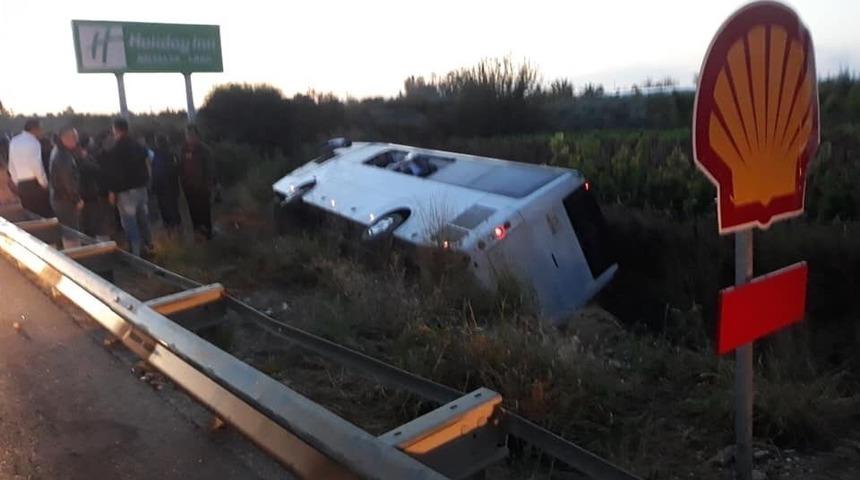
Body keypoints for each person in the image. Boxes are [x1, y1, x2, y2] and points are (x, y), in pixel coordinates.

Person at [102, 118, 152, 256]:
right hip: (141, 189)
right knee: (143, 221)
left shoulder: (116, 148)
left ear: (115, 129)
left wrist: (112, 191)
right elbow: (148, 159)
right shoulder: (138, 145)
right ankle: (149, 247)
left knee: (131, 225)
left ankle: (136, 256)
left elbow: (114, 172)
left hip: (126, 193)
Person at [8, 119, 53, 217]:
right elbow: (36, 165)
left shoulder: (14, 141)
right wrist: (44, 183)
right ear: (34, 129)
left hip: (21, 185)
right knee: (43, 216)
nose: (42, 131)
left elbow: (11, 165)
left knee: (29, 216)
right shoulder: (34, 142)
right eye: (41, 129)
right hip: (34, 184)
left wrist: (17, 182)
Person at [48, 127, 84, 239]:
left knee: (67, 231)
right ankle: (73, 255)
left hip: (59, 198)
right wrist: (77, 199)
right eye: (74, 137)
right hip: (65, 200)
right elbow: (68, 182)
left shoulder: (57, 151)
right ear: (65, 138)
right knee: (71, 233)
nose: (76, 140)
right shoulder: (63, 156)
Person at [180, 125, 214, 239]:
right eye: (187, 135)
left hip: (202, 187)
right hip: (189, 187)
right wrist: (183, 182)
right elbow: (181, 167)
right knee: (193, 212)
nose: (189, 137)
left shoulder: (204, 150)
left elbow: (209, 169)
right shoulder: (184, 149)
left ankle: (208, 234)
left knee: (204, 211)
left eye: (192, 135)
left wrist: (208, 185)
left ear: (197, 136)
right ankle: (198, 234)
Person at [151, 134, 181, 232]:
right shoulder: (171, 153)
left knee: (165, 209)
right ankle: (176, 227)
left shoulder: (155, 154)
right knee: (173, 208)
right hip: (171, 186)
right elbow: (177, 169)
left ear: (158, 143)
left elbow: (154, 172)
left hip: (162, 187)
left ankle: (170, 227)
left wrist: (154, 187)